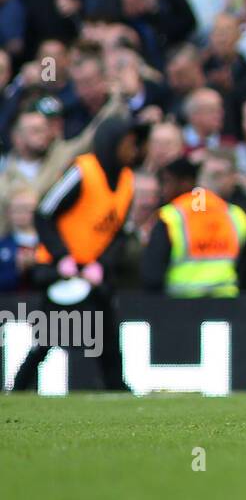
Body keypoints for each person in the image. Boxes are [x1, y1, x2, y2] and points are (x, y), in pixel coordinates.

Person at [12, 115, 147, 391]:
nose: (133, 150)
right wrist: (63, 257)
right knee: (49, 336)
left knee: (108, 333)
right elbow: (44, 214)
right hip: (62, 269)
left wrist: (101, 264)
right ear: (112, 143)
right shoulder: (83, 171)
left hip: (93, 271)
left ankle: (116, 387)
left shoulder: (127, 180)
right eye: (128, 143)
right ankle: (19, 387)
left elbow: (117, 233)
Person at [140, 156, 246, 298]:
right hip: (227, 302)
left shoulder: (171, 216)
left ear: (186, 182)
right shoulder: (234, 214)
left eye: (168, 182)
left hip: (179, 303)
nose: (163, 190)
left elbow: (152, 275)